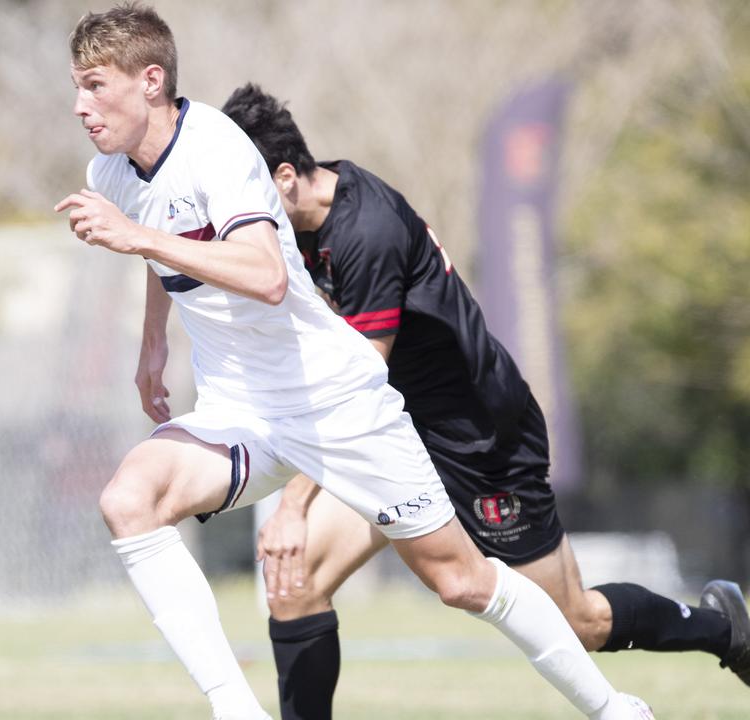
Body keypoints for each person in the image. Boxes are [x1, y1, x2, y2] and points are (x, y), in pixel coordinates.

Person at [56, 5, 653, 719]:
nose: (80, 105)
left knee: (462, 581)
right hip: (241, 412)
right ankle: (234, 709)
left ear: (150, 80)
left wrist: (134, 238)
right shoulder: (112, 170)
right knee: (130, 499)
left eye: (95, 85)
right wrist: (153, 343)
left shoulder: (217, 147)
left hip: (337, 403)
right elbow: (160, 234)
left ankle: (616, 710)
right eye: (77, 87)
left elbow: (265, 275)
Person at [220, 82, 750, 720]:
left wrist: (292, 504)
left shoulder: (366, 231)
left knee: (574, 620)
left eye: (242, 192)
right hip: (397, 433)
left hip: (479, 440)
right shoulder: (287, 230)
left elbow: (356, 387)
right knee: (296, 580)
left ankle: (724, 630)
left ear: (283, 177)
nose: (235, 214)